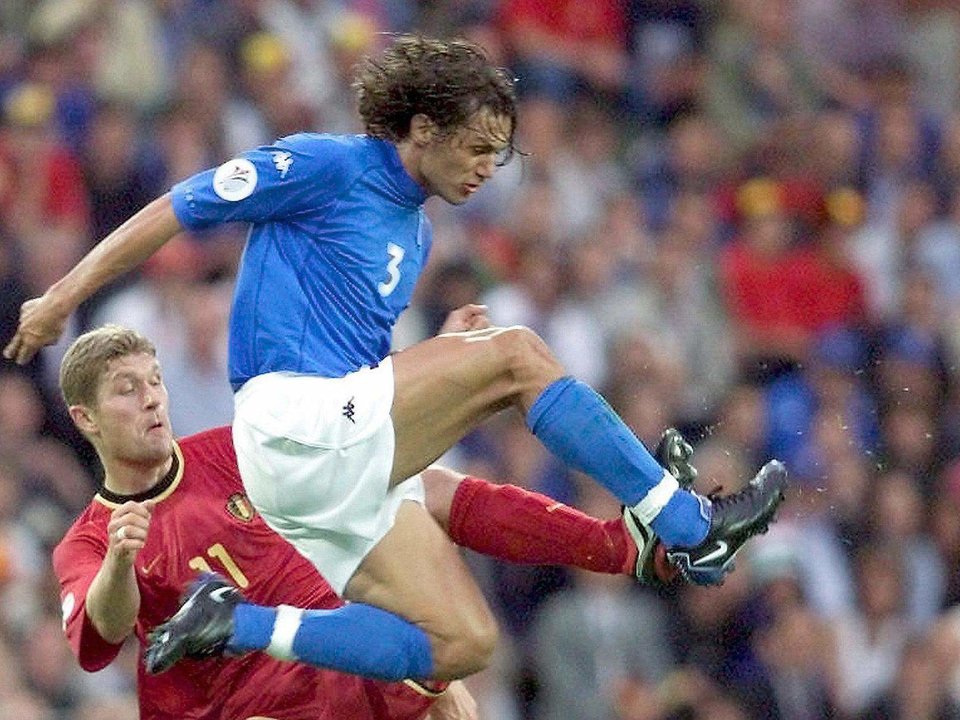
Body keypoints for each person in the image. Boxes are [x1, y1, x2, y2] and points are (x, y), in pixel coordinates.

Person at [7, 35, 788, 683]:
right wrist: (61, 297)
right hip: (287, 421)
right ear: (421, 128)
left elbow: (360, 374)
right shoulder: (326, 165)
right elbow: (177, 209)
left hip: (317, 467)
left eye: (500, 154)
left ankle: (233, 622)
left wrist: (438, 355)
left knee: (464, 645)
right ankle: (684, 522)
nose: (487, 168)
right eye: (476, 146)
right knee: (513, 354)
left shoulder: (414, 233)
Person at [54, 324, 700, 719]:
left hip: (344, 668)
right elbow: (100, 638)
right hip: (247, 707)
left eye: (156, 380)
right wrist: (118, 559)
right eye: (126, 388)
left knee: (410, 486)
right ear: (86, 418)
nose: (151, 399)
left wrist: (425, 672)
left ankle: (623, 547)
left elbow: (372, 482)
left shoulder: (233, 451)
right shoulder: (87, 541)